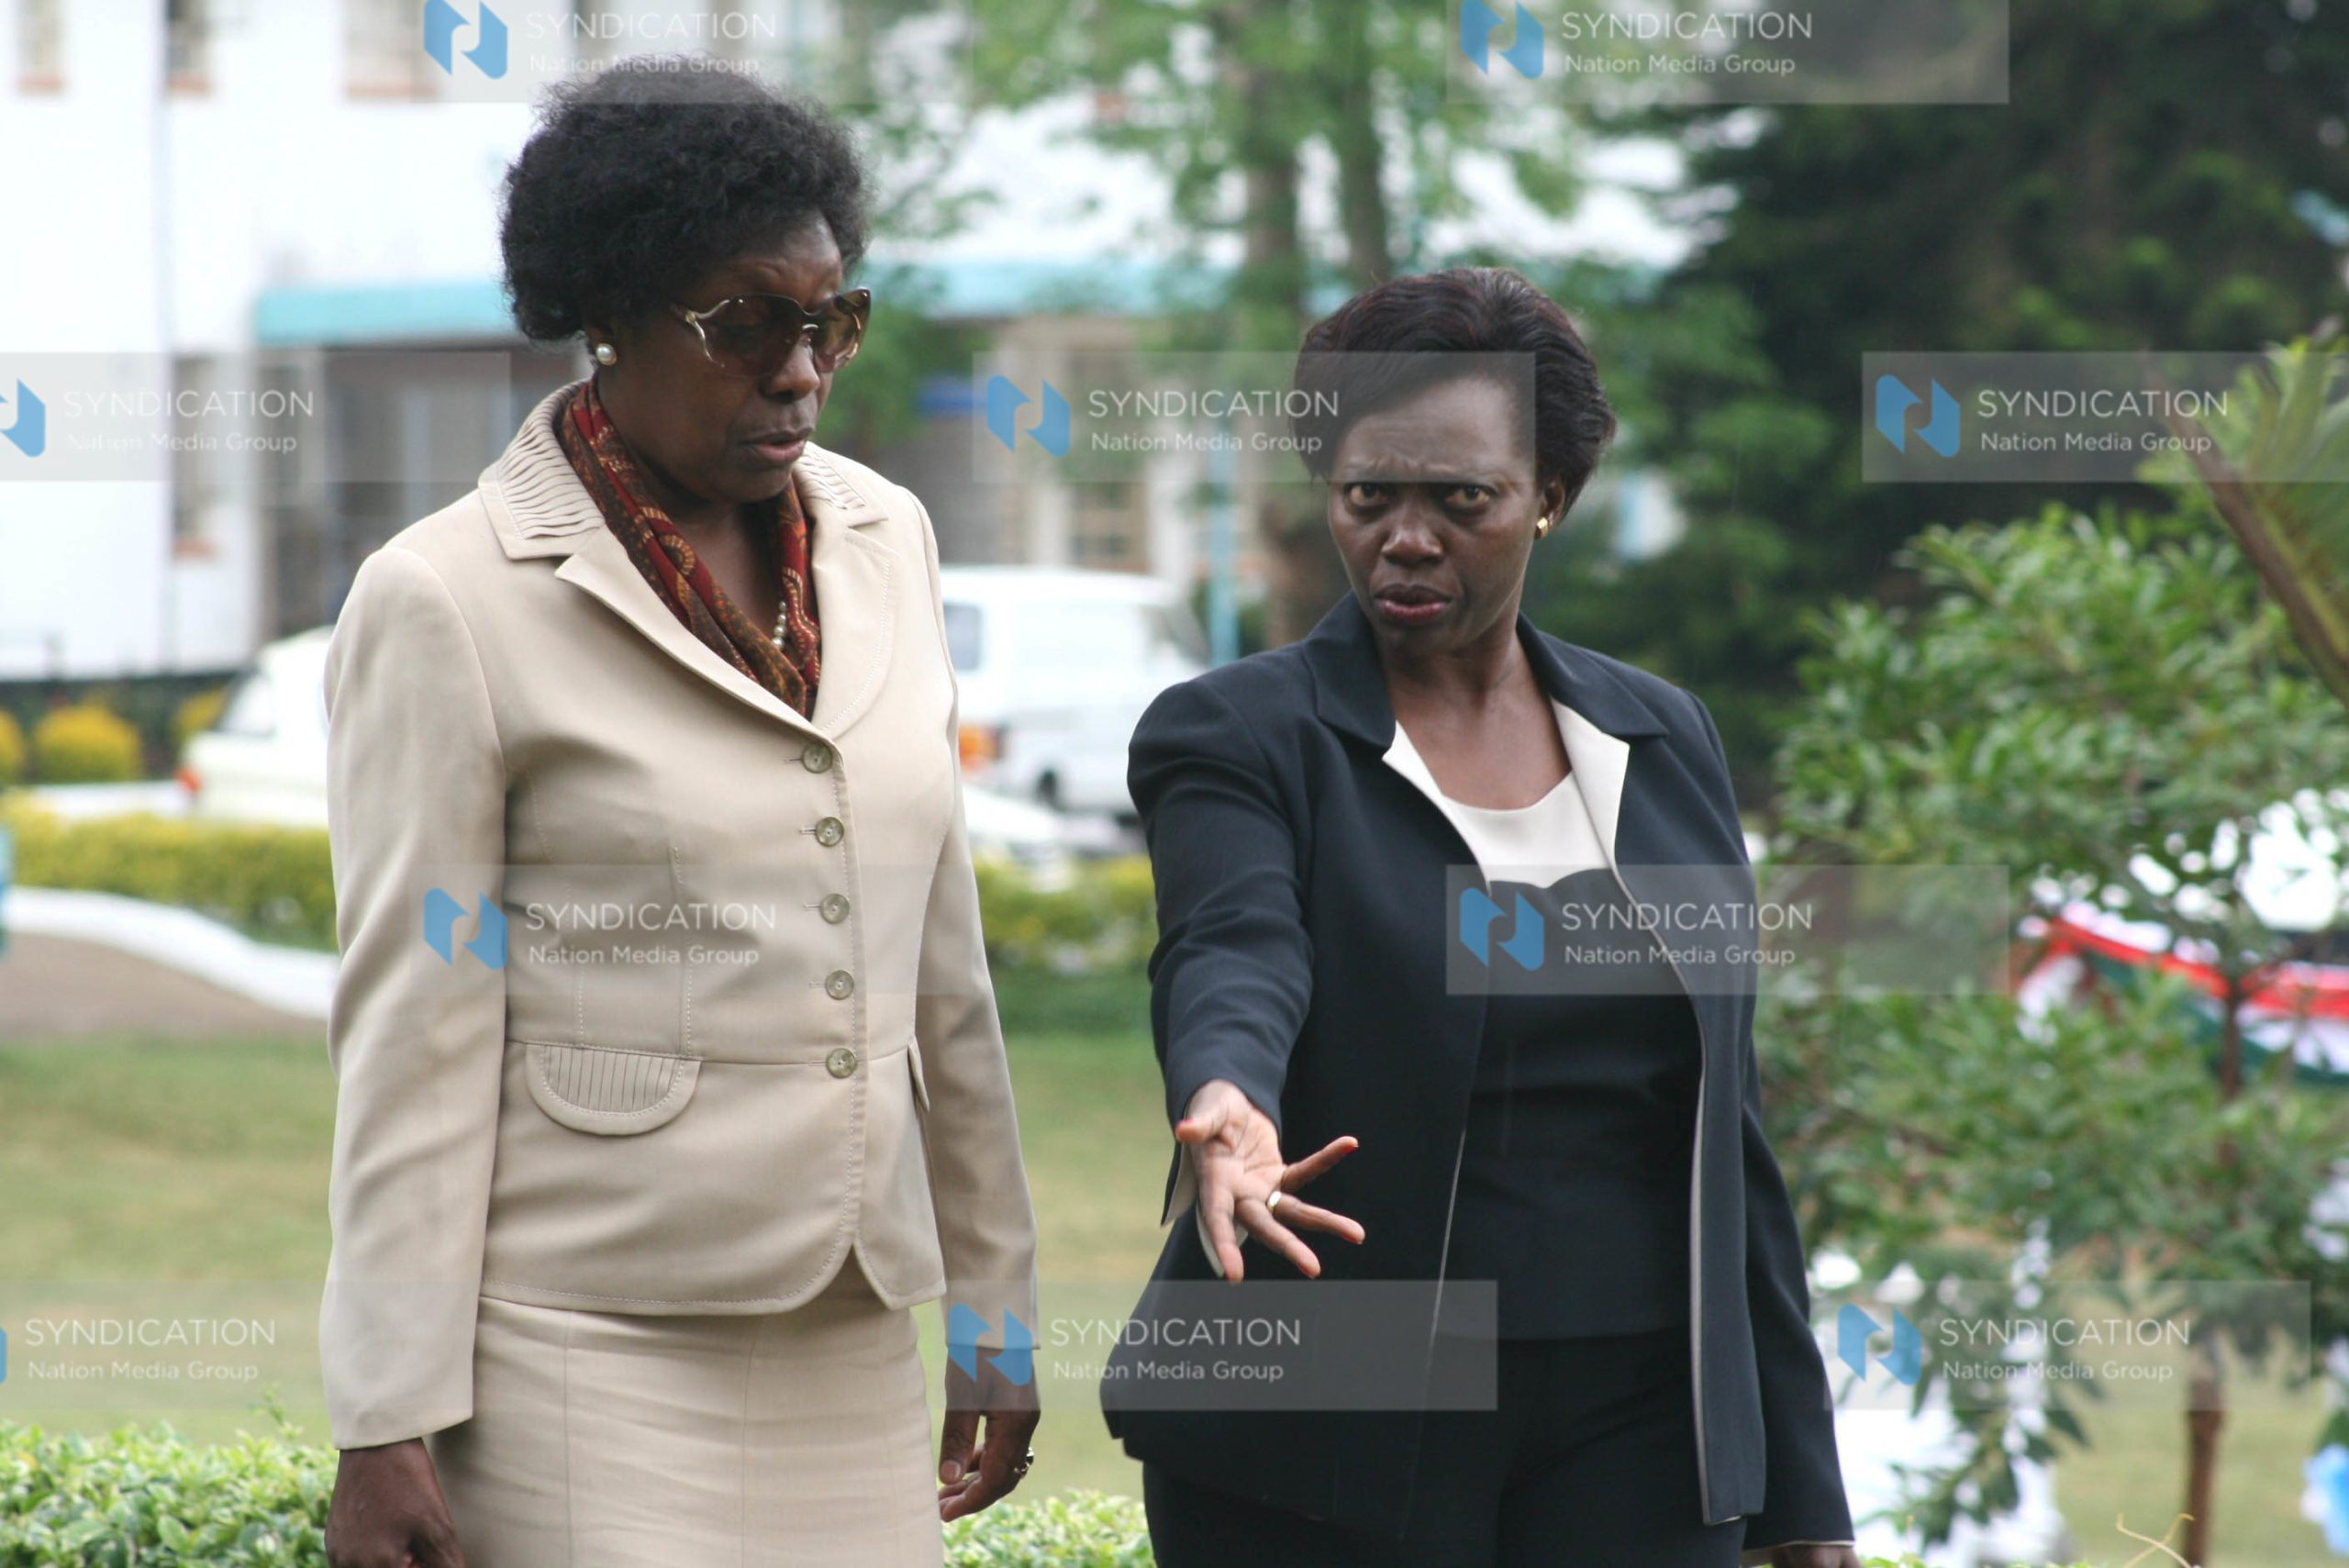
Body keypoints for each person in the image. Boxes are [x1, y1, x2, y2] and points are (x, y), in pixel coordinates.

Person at [318, 59, 1038, 1568]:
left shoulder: (890, 540)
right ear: (612, 313)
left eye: (830, 321)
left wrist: (997, 1308)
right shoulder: (446, 596)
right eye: (747, 323)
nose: (800, 371)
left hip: (853, 1332)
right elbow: (415, 1030)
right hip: (582, 1347)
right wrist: (384, 1414)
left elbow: (944, 970)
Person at [1102, 267, 1860, 1567]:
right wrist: (1228, 1094)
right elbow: (1236, 941)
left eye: (1462, 500)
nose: (1407, 537)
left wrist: (1798, 1486)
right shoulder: (1237, 733)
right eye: (1369, 496)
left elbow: (1725, 1127)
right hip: (1329, 1390)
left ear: (1549, 497)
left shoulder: (1660, 737)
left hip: (1639, 1416)